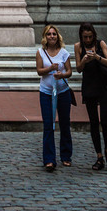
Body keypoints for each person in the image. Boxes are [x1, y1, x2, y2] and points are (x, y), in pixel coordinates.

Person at [74, 22, 107, 170]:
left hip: (103, 86)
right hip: (89, 86)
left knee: (105, 121)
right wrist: (84, 60)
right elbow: (78, 69)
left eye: (90, 37)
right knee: (93, 122)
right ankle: (99, 156)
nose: (88, 40)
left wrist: (97, 57)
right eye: (85, 37)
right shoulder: (78, 46)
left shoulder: (100, 44)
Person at [36, 23, 73, 170]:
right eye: (49, 34)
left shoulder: (64, 52)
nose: (52, 36)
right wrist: (50, 68)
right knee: (48, 124)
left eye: (54, 34)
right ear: (45, 37)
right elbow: (39, 71)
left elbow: (69, 71)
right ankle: (49, 159)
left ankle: (66, 155)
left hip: (62, 92)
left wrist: (61, 74)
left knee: (65, 123)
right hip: (46, 92)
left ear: (58, 36)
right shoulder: (40, 52)